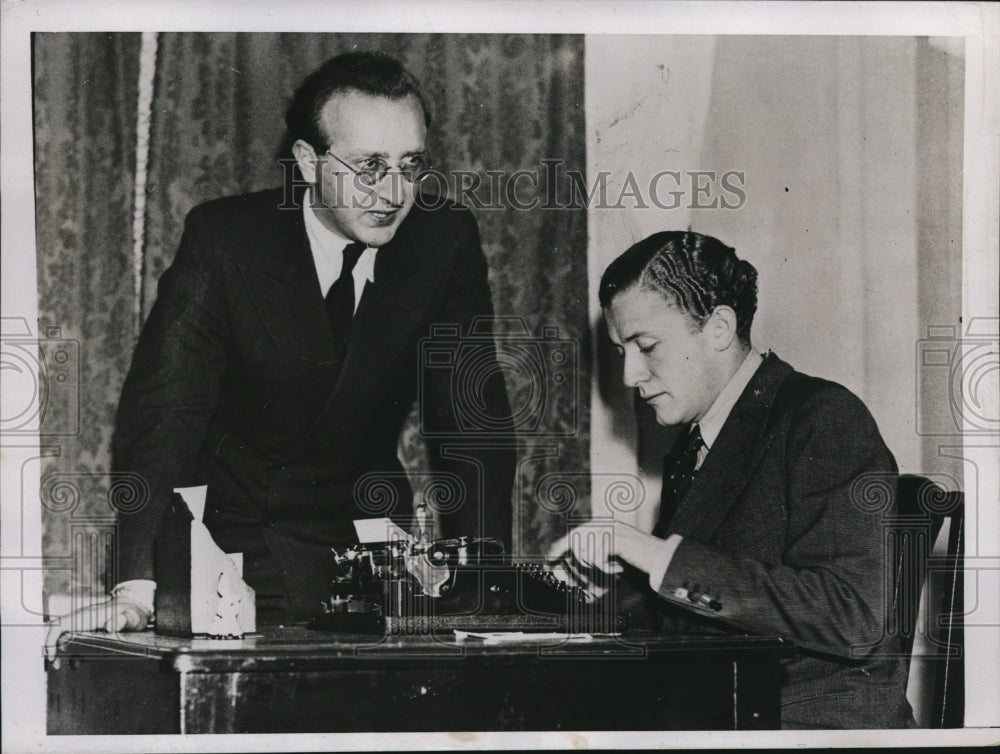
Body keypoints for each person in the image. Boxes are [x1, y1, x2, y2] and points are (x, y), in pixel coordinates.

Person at [46, 52, 515, 655]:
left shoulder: (442, 242)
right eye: (368, 166)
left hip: (366, 554)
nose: (393, 193)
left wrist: (487, 585)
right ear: (307, 162)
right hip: (230, 555)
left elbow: (472, 425)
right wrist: (136, 588)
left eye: (409, 165)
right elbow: (164, 416)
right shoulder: (226, 242)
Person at [549, 230, 914, 729]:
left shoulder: (823, 417)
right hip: (729, 711)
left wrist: (654, 553)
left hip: (811, 727)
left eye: (646, 346)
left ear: (719, 327)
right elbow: (694, 602)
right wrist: (584, 603)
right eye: (620, 353)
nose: (630, 376)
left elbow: (853, 615)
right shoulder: (698, 440)